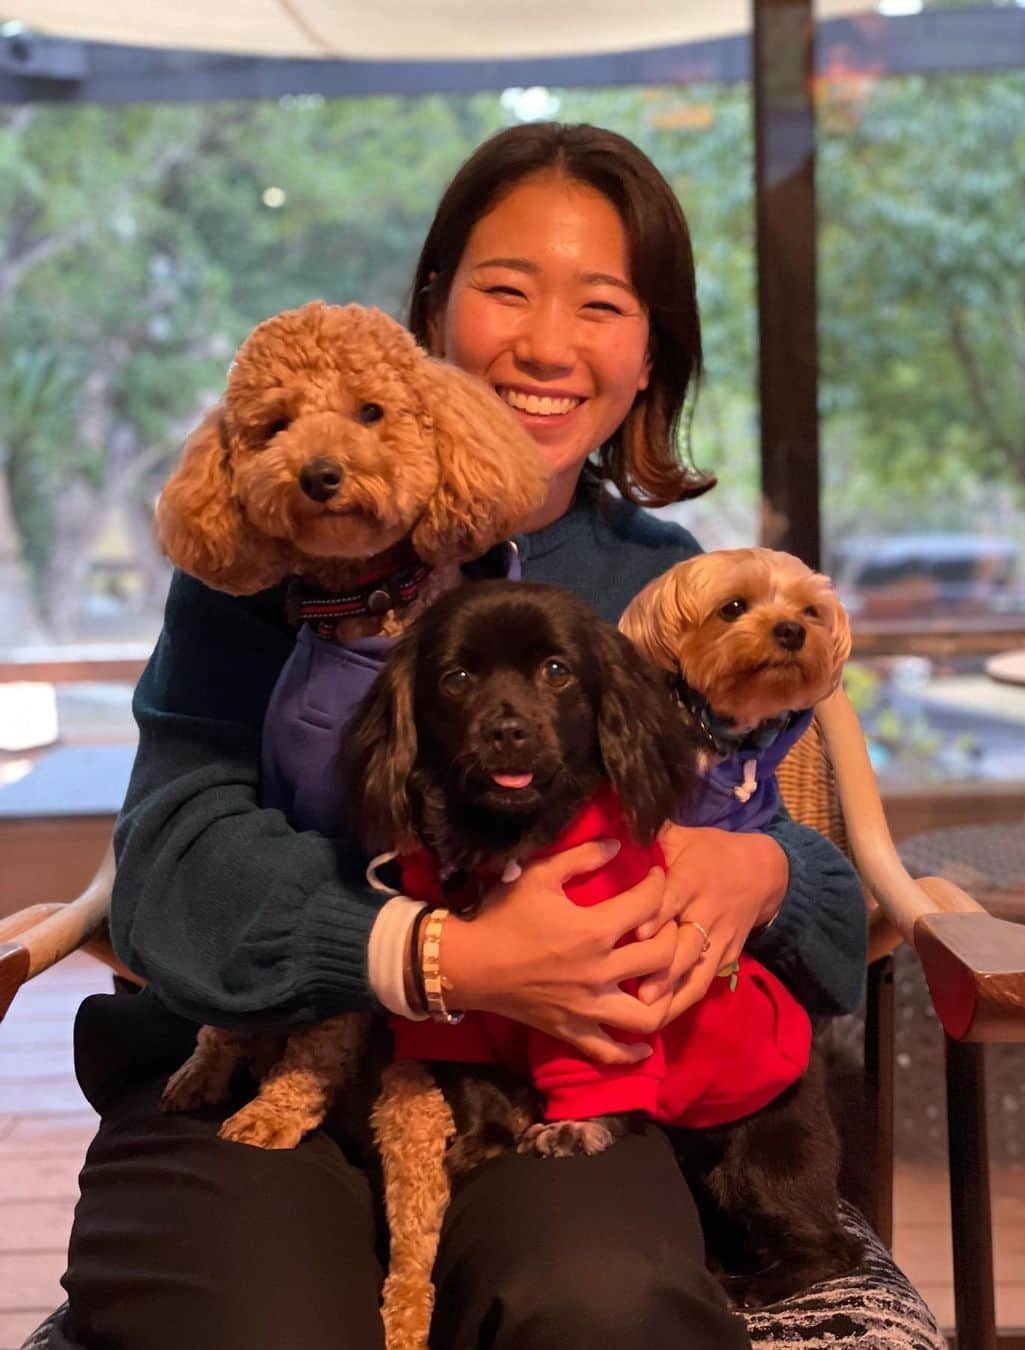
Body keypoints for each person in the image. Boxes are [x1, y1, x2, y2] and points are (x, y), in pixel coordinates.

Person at [54, 123, 868, 1350]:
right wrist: (440, 957)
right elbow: (172, 856)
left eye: (602, 304)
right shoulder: (267, 556)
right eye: (504, 291)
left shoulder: (670, 590)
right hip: (270, 1044)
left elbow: (823, 893)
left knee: (605, 1304)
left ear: (651, 355)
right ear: (434, 316)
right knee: (250, 1324)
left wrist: (762, 871)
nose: (547, 344)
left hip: (540, 1077)